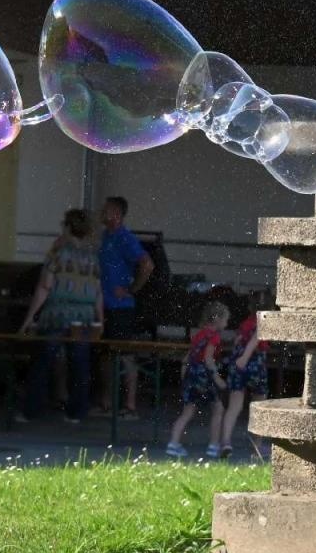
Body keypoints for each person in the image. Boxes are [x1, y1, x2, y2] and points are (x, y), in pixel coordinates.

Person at [17, 209, 103, 424]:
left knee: (43, 362)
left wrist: (28, 319)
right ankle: (76, 412)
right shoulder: (93, 256)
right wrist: (100, 320)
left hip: (56, 313)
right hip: (84, 316)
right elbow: (98, 292)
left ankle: (31, 410)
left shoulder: (57, 252)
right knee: (80, 364)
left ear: (66, 227)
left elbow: (45, 286)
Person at [96, 196, 153, 417]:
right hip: (104, 305)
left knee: (126, 354)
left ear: (117, 215)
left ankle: (130, 406)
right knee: (106, 355)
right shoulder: (105, 237)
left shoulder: (124, 238)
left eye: (107, 210)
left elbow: (147, 264)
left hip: (122, 306)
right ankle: (106, 403)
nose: (103, 213)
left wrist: (131, 289)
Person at [167, 300, 229, 458]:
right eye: (225, 320)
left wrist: (184, 375)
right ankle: (213, 446)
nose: (227, 323)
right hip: (204, 375)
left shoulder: (198, 334)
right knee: (218, 409)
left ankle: (173, 444)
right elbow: (208, 358)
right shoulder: (214, 337)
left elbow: (187, 358)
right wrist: (217, 378)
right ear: (217, 319)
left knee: (187, 411)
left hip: (191, 373)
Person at [214, 302, 268, 459]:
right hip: (254, 364)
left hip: (237, 366)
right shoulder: (264, 321)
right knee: (259, 406)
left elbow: (238, 340)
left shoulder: (245, 323)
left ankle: (225, 442)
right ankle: (257, 448)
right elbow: (256, 339)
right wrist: (245, 358)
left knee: (234, 407)